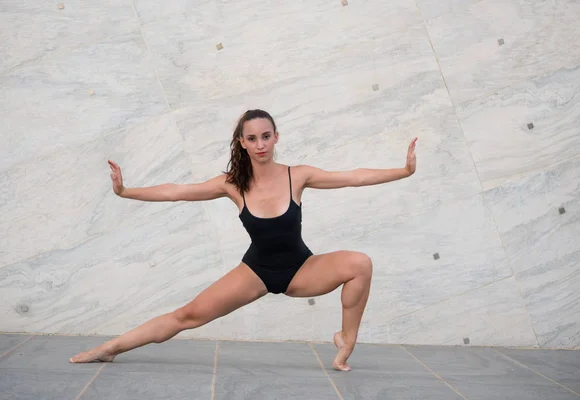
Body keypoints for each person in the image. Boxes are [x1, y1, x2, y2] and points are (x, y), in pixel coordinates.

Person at [70, 109, 417, 371]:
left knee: (360, 264)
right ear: (242, 143)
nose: (260, 144)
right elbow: (177, 191)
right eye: (252, 139)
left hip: (302, 270)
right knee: (187, 315)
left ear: (276, 137)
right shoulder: (232, 183)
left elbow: (353, 178)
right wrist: (125, 191)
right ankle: (111, 348)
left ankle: (346, 340)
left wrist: (403, 171)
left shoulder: (299, 175)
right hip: (257, 271)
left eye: (266, 136)